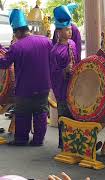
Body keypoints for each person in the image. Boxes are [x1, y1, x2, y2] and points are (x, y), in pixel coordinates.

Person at [0, 9, 52, 146]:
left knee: (23, 114)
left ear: (17, 31)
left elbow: (4, 63)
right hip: (43, 86)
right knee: (41, 113)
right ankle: (38, 140)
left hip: (24, 88)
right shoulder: (46, 41)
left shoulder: (16, 47)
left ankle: (21, 139)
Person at [50, 5, 80, 149]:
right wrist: (64, 71)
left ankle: (75, 143)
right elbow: (53, 73)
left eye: (70, 29)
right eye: (67, 30)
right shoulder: (55, 51)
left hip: (74, 87)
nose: (70, 32)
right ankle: (64, 144)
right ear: (59, 31)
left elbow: (77, 61)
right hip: (62, 89)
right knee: (64, 116)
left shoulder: (73, 44)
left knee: (75, 117)